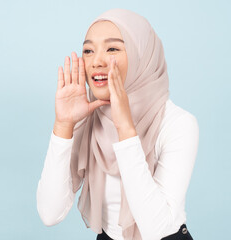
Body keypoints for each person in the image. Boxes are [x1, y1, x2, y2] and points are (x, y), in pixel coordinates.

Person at [36, 8, 199, 240]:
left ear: (141, 55)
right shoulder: (89, 117)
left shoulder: (178, 124)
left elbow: (156, 230)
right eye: (88, 51)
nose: (97, 61)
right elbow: (49, 214)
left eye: (112, 48)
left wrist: (126, 129)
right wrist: (63, 124)